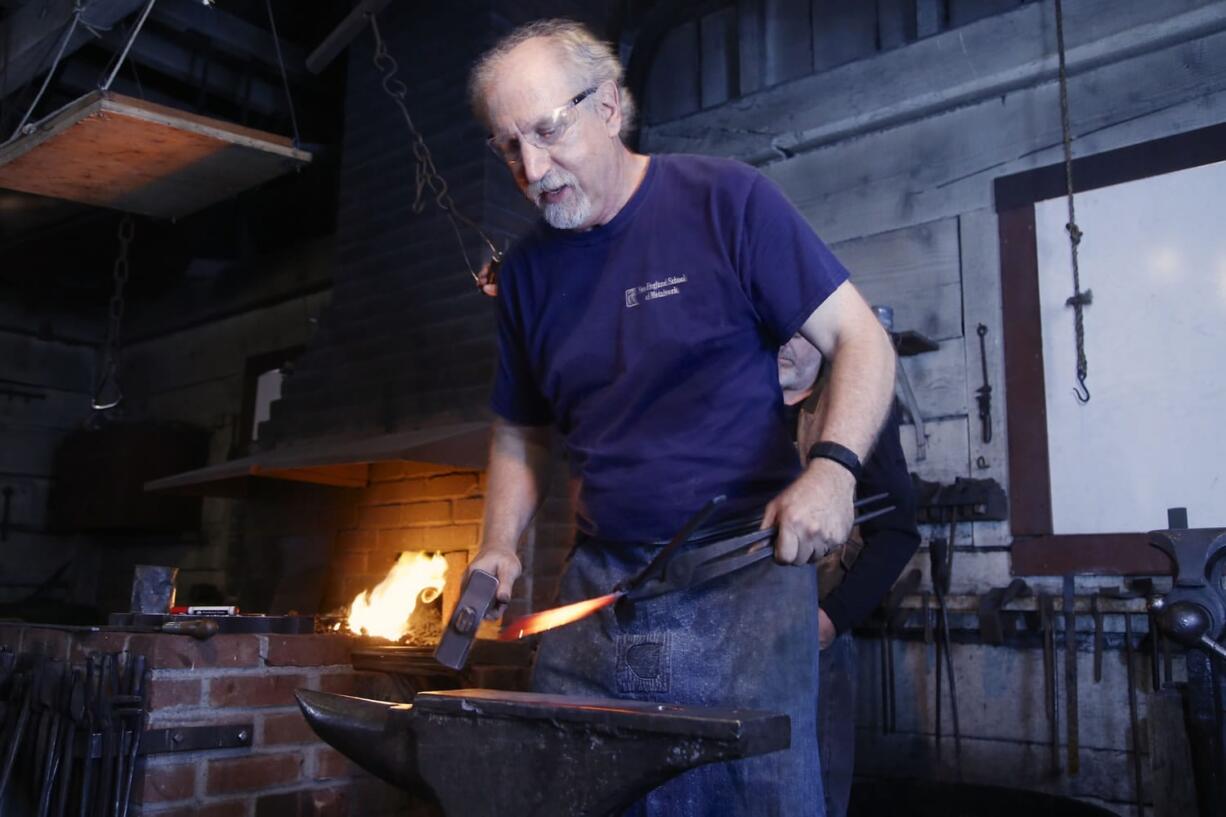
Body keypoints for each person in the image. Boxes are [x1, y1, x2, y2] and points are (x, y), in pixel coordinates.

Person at [464, 19, 897, 816]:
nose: (532, 169)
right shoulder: (524, 275)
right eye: (508, 146)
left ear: (610, 107)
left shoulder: (725, 199)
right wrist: (497, 543)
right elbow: (522, 429)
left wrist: (833, 468)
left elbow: (862, 339)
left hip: (743, 575)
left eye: (549, 131)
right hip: (601, 588)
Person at [779, 333, 920, 817]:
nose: (784, 342)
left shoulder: (852, 407)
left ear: (826, 334)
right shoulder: (738, 403)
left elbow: (898, 532)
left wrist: (830, 620)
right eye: (775, 327)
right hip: (734, 634)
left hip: (813, 638)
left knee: (814, 790)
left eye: (800, 330)